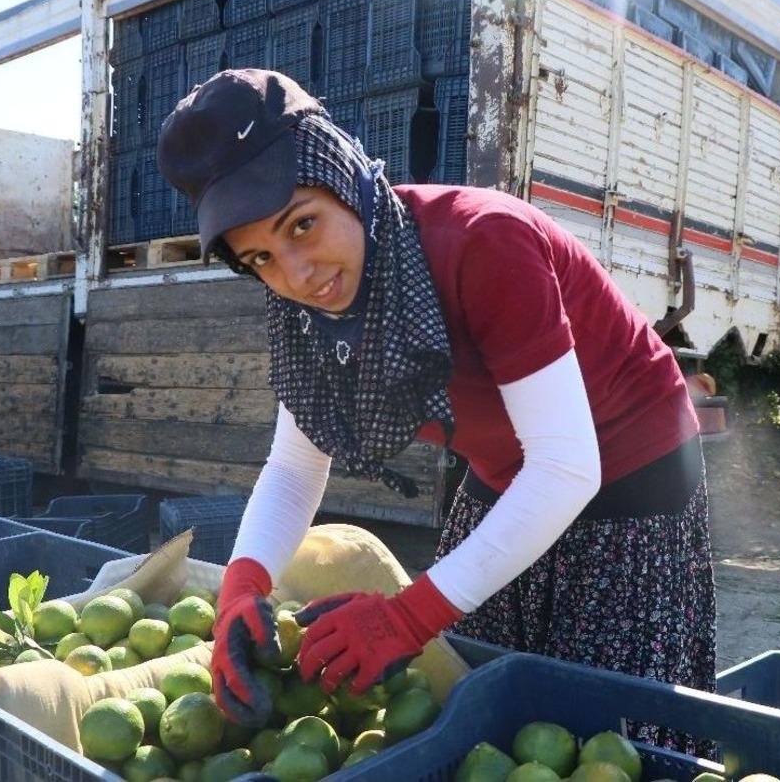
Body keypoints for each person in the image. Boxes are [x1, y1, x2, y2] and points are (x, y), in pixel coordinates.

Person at [154, 69, 716, 746]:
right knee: (476, 707)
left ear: (342, 173)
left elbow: (567, 466)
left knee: (600, 735)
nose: (298, 274)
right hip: (508, 460)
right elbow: (296, 466)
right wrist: (241, 589)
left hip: (631, 463)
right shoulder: (305, 311)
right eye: (261, 259)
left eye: (303, 224)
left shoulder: (484, 243)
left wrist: (408, 614)